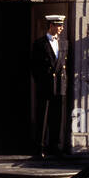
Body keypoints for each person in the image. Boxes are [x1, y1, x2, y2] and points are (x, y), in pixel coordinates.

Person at [30, 13, 68, 157]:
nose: (61, 28)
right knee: (43, 116)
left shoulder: (64, 43)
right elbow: (34, 66)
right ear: (51, 26)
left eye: (62, 25)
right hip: (45, 85)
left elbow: (65, 64)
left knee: (57, 117)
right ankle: (40, 147)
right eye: (58, 25)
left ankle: (55, 146)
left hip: (60, 84)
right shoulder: (40, 44)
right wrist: (40, 81)